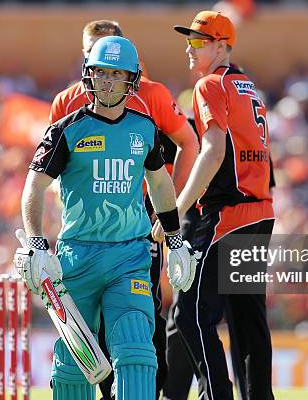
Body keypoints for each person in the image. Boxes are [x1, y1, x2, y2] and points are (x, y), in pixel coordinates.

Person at [17, 36, 196, 400]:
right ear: (88, 75)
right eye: (101, 73)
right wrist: (37, 244)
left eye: (117, 74)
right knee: (73, 368)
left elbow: (160, 185)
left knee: (136, 351)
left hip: (129, 257)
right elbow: (33, 188)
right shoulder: (67, 130)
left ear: (132, 80)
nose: (108, 82)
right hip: (77, 257)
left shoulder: (145, 129)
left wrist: (175, 239)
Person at [153, 11, 276, 399]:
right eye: (188, 41)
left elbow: (212, 151)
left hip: (227, 217)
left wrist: (173, 213)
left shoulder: (210, 85)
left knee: (189, 314)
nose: (189, 49)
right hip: (260, 214)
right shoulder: (248, 87)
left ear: (222, 46)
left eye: (198, 42)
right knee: (248, 322)